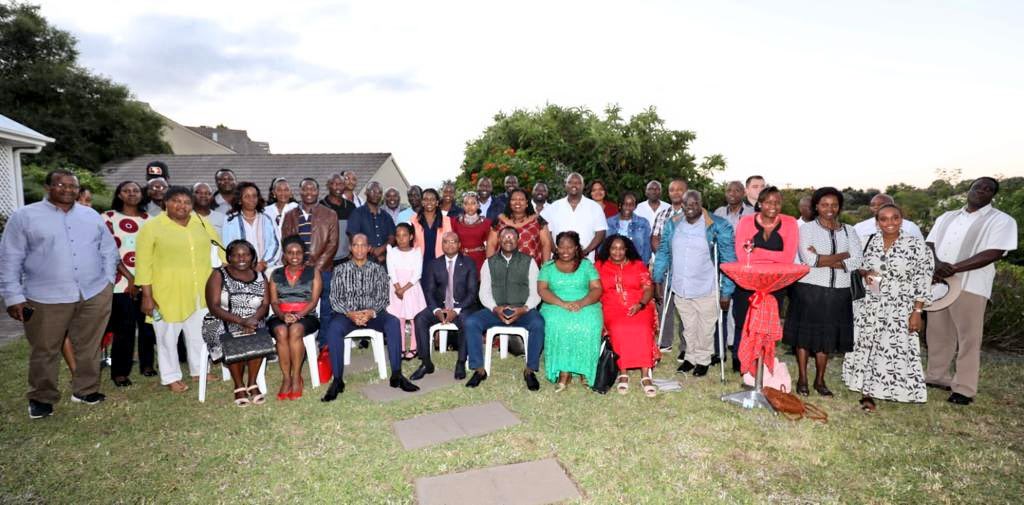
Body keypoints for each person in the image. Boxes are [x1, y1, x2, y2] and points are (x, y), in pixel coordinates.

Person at [1, 170, 118, 419]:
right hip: (45, 296)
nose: (67, 189)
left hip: (92, 292)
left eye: (73, 186)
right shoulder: (24, 217)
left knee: (89, 345)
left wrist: (107, 281)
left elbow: (108, 249)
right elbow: (10, 258)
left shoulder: (90, 216)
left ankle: (85, 390)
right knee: (45, 348)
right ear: (48, 187)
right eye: (61, 185)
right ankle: (42, 398)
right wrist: (13, 296)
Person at [925, 177, 1018, 405]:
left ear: (992, 195)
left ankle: (964, 389)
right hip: (939, 284)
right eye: (978, 186)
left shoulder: (1001, 220)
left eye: (988, 189)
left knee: (969, 338)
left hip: (971, 285)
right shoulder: (947, 217)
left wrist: (954, 268)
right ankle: (937, 376)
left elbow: (993, 252)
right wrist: (937, 265)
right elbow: (929, 244)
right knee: (938, 333)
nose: (982, 191)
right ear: (969, 189)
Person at [842, 204, 933, 412]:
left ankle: (888, 389)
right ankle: (867, 393)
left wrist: (917, 312)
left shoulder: (917, 247)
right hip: (870, 304)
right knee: (867, 345)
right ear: (877, 222)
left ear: (902, 219)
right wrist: (866, 273)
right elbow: (859, 265)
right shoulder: (869, 241)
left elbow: (923, 281)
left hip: (899, 306)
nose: (889, 223)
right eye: (884, 219)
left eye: (894, 218)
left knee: (891, 347)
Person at [135, 186, 224, 393]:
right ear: (165, 202)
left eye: (186, 202)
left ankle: (199, 370)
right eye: (176, 201)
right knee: (167, 337)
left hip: (200, 291)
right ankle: (170, 376)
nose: (181, 206)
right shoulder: (152, 227)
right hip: (166, 294)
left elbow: (218, 247)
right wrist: (147, 295)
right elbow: (143, 263)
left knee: (198, 334)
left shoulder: (200, 222)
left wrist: (238, 264)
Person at [320, 234, 420, 402]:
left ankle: (397, 374)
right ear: (350, 248)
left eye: (363, 245)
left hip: (373, 315)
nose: (359, 249)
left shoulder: (378, 270)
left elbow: (383, 298)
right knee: (334, 328)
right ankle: (337, 381)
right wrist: (350, 313)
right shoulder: (339, 270)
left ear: (368, 248)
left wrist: (371, 312)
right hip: (347, 315)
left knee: (393, 322)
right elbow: (335, 299)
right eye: (355, 245)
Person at [784, 187, 862, 396]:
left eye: (834, 205)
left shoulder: (849, 230)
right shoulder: (806, 229)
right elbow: (810, 261)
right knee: (804, 337)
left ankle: (820, 380)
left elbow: (856, 261)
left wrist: (824, 258)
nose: (830, 208)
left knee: (826, 339)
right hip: (809, 289)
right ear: (816, 206)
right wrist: (842, 255)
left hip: (839, 291)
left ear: (839, 207)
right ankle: (802, 379)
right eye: (825, 204)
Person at [653, 190, 737, 376]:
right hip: (681, 286)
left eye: (694, 204)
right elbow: (664, 253)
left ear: (701, 203)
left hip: (706, 286)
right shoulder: (673, 224)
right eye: (686, 204)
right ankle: (690, 358)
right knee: (688, 326)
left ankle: (703, 359)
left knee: (706, 328)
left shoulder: (718, 225)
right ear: (681, 204)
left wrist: (726, 292)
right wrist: (657, 279)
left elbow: (728, 260)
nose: (690, 208)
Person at [464, 227, 545, 391]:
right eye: (505, 237)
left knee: (538, 324)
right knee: (471, 322)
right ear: (499, 241)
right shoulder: (489, 263)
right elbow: (484, 292)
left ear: (518, 241)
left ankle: (530, 370)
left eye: (512, 237)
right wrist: (495, 308)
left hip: (523, 311)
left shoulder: (529, 262)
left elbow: (536, 291)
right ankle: (479, 369)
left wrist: (524, 309)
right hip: (496, 310)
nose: (508, 240)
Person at [731, 186, 798, 372]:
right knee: (742, 321)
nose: (773, 206)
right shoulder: (745, 222)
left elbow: (789, 258)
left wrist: (757, 252)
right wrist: (773, 256)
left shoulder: (790, 223)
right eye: (768, 201)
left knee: (766, 326)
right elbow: (742, 255)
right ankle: (740, 359)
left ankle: (761, 363)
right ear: (759, 204)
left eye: (777, 202)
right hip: (747, 282)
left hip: (775, 284)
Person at [202, 240, 270, 406]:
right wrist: (241, 321)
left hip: (252, 319)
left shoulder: (260, 276)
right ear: (229, 257)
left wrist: (253, 320)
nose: (241, 258)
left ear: (252, 257)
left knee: (258, 333)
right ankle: (238, 385)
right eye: (236, 255)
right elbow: (214, 306)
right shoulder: (218, 274)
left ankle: (252, 383)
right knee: (233, 336)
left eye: (246, 254)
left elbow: (265, 305)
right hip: (221, 319)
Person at [103, 181, 157, 386]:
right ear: (119, 194)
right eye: (126, 191)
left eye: (135, 191)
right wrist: (130, 278)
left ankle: (147, 364)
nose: (132, 194)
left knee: (147, 326)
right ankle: (120, 371)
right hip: (120, 283)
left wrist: (143, 280)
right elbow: (109, 252)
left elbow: (154, 252)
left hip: (148, 282)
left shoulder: (150, 220)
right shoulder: (108, 218)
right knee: (124, 328)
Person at [411, 232, 481, 380]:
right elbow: (428, 291)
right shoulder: (433, 264)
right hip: (440, 308)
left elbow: (472, 292)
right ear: (442, 245)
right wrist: (436, 310)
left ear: (459, 245)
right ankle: (426, 363)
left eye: (453, 242)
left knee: (467, 322)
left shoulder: (469, 263)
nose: (449, 245)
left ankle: (461, 361)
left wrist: (456, 310)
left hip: (463, 307)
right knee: (420, 319)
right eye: (446, 242)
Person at [538, 231, 603, 390]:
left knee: (588, 323)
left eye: (569, 247)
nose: (565, 251)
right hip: (555, 304)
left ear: (576, 248)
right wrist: (562, 303)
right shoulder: (548, 267)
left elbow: (596, 288)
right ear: (556, 248)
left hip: (586, 302)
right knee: (558, 324)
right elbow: (543, 290)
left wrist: (581, 303)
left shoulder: (587, 265)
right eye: (561, 247)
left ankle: (584, 370)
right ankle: (563, 372)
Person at [596, 235, 657, 397]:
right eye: (613, 248)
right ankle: (623, 372)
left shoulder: (637, 265)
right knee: (618, 328)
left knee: (642, 328)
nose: (617, 252)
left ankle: (645, 374)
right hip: (611, 306)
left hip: (639, 305)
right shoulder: (599, 266)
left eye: (621, 248)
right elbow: (593, 288)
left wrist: (641, 304)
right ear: (608, 249)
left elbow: (648, 288)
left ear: (626, 249)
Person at [282, 178, 339, 334]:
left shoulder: (330, 214)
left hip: (323, 270)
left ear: (318, 192)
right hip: (296, 270)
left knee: (326, 309)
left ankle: (324, 345)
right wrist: (299, 267)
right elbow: (286, 242)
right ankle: (301, 342)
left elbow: (332, 244)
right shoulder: (289, 215)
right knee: (299, 308)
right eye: (305, 189)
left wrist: (315, 269)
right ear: (300, 192)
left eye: (312, 189)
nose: (309, 192)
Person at [267, 236, 322, 401]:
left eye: (298, 252)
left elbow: (313, 301)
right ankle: (286, 378)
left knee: (296, 329)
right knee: (281, 330)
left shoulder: (313, 272)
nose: (295, 256)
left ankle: (297, 376)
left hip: (306, 315)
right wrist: (283, 315)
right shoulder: (276, 274)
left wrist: (298, 315)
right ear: (284, 255)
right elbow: (274, 301)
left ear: (304, 254)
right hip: (280, 315)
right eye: (290, 252)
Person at [650, 178, 687, 353]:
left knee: (685, 305)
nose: (676, 193)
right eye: (672, 190)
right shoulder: (663, 214)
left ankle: (686, 345)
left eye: (680, 190)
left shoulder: (695, 213)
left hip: (688, 267)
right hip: (666, 264)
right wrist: (664, 254)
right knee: (664, 303)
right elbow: (655, 238)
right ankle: (665, 341)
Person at [542, 172, 607, 261]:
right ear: (565, 185)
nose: (574, 185)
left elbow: (601, 233)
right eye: (570, 182)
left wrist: (586, 251)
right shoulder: (554, 207)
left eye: (577, 183)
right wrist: (555, 251)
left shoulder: (595, 207)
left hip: (585, 260)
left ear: (583, 185)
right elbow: (546, 232)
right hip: (558, 261)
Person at [386, 223, 426, 360]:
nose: (401, 239)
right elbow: (391, 271)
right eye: (398, 236)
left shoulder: (416, 252)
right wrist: (398, 288)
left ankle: (414, 346)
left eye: (404, 235)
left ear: (411, 236)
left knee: (414, 318)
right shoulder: (391, 252)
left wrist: (404, 289)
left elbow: (417, 274)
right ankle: (401, 347)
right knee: (399, 319)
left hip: (411, 288)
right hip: (395, 288)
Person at [223, 182, 280, 273]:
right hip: (239, 270)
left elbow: (275, 244)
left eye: (254, 196)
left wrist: (263, 263)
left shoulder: (267, 218)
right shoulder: (230, 220)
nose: (252, 199)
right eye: (247, 196)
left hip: (265, 269)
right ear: (239, 200)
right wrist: (241, 264)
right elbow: (227, 246)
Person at [487, 188, 553, 266]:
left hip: (531, 270)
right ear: (509, 203)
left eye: (521, 199)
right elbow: (491, 244)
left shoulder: (538, 221)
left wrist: (545, 270)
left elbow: (546, 244)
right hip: (502, 269)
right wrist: (490, 267)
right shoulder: (499, 221)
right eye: (514, 199)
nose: (517, 202)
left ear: (527, 203)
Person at [411, 189, 453, 288]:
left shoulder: (447, 221)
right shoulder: (414, 220)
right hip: (420, 264)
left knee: (439, 297)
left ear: (437, 202)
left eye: (432, 199)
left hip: (441, 265)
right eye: (425, 199)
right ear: (422, 202)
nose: (429, 202)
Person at [349, 181, 397, 264]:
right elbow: (353, 237)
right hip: (363, 261)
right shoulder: (357, 213)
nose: (376, 194)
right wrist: (372, 250)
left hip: (385, 262)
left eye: (379, 192)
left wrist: (381, 250)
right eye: (373, 191)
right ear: (366, 192)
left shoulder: (386, 216)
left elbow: (392, 238)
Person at [605, 191, 652, 265]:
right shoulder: (609, 222)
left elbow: (647, 248)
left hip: (635, 265)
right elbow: (603, 246)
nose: (628, 207)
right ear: (620, 205)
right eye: (625, 204)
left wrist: (642, 266)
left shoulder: (643, 223)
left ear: (635, 206)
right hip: (612, 265)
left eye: (631, 204)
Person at [320, 173, 357, 267]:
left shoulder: (351, 207)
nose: (337, 187)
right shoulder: (320, 207)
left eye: (340, 184)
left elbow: (354, 232)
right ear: (328, 185)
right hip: (327, 260)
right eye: (334, 183)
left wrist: (352, 252)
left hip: (346, 258)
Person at [852, 193, 923, 241]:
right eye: (873, 205)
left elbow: (922, 251)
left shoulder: (909, 227)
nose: (876, 207)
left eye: (881, 204)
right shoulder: (859, 227)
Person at [450, 191, 492, 270]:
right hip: (460, 259)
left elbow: (491, 244)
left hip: (480, 260)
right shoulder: (455, 222)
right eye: (466, 203)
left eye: (473, 203)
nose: (470, 206)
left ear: (478, 205)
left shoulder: (486, 223)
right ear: (462, 206)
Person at [265, 177, 299, 242]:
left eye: (286, 190)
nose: (283, 193)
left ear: (291, 193)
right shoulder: (266, 211)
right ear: (274, 193)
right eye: (279, 190)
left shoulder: (296, 208)